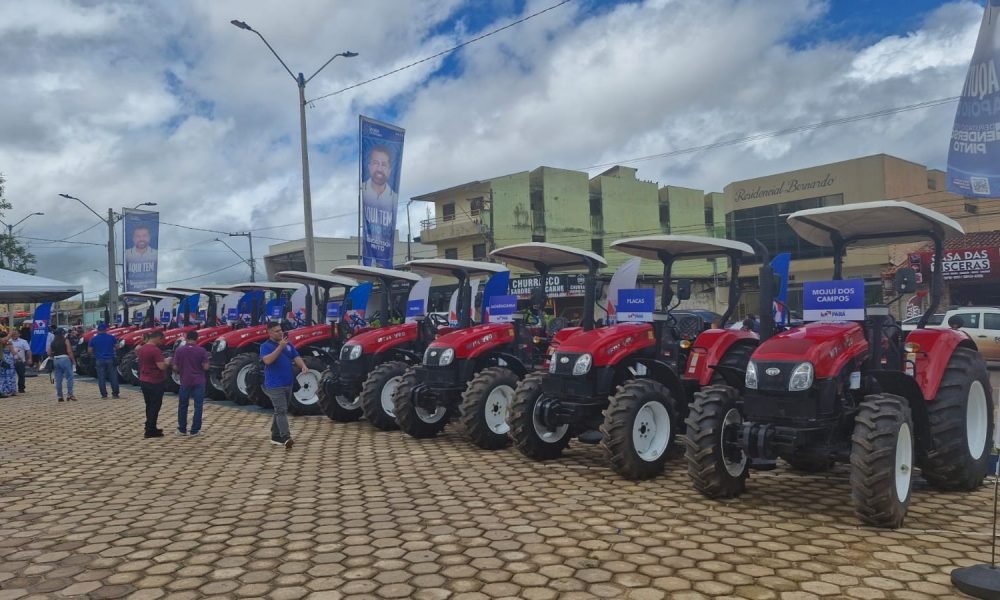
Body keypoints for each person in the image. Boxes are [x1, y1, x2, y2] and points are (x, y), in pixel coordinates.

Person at [260, 322, 307, 449]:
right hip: (274, 384)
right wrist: (280, 347)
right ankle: (286, 437)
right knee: (281, 410)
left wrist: (303, 366)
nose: (280, 333)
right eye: (276, 331)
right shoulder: (265, 346)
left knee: (280, 409)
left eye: (280, 330)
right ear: (269, 333)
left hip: (288, 382)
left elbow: (295, 356)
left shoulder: (288, 344)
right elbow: (268, 361)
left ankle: (275, 436)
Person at [173, 330, 209, 436]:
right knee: (198, 406)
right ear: (197, 338)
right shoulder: (202, 351)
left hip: (185, 380)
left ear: (186, 338)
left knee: (183, 405)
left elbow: (175, 366)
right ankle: (195, 430)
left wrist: (182, 369)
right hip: (199, 381)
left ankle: (182, 429)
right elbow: (206, 367)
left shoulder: (179, 350)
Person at [137, 330, 171, 438]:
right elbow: (161, 366)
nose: (162, 342)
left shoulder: (142, 348)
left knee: (149, 405)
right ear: (158, 338)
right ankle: (150, 429)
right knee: (155, 406)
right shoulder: (155, 350)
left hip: (144, 379)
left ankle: (149, 426)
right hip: (154, 381)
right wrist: (168, 361)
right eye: (162, 340)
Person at [89, 323, 120, 399]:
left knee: (101, 378)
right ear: (106, 330)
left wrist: (96, 352)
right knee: (113, 377)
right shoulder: (111, 337)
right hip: (110, 359)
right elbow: (117, 347)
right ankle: (115, 394)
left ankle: (104, 394)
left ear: (98, 330)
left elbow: (89, 350)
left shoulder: (93, 339)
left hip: (99, 360)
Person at [49, 327, 76, 402]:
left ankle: (60, 396)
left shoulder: (53, 342)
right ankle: (70, 394)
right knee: (69, 377)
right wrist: (73, 360)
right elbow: (69, 351)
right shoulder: (65, 340)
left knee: (58, 379)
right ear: (63, 333)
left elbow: (49, 353)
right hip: (65, 359)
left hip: (56, 360)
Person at [9, 329, 31, 394]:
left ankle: (21, 388)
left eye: (16, 334)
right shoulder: (8, 341)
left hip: (20, 361)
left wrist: (29, 359)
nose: (14, 335)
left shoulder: (23, 341)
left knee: (21, 375)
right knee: (10, 376)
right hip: (10, 361)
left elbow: (28, 351)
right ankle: (11, 389)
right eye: (13, 334)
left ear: (19, 334)